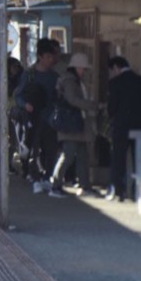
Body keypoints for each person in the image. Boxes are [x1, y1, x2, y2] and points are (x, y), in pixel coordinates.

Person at [48, 53, 99, 198]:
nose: (84, 71)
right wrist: (93, 106)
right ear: (76, 67)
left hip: (76, 124)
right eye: (82, 68)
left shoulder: (72, 79)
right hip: (71, 123)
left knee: (82, 155)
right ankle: (55, 185)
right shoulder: (70, 81)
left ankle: (85, 186)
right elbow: (73, 100)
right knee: (68, 154)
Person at [14, 38, 60, 193]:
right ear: (40, 56)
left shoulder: (54, 76)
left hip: (49, 118)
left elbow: (57, 97)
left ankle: (47, 177)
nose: (51, 60)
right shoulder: (29, 74)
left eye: (52, 57)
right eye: (48, 57)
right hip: (33, 118)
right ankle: (35, 177)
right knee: (34, 148)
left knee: (51, 148)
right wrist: (25, 105)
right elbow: (18, 95)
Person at [105, 56, 141, 201]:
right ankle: (140, 192)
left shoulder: (114, 83)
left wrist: (110, 115)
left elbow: (112, 107)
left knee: (119, 158)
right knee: (140, 159)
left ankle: (119, 191)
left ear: (116, 68)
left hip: (122, 125)